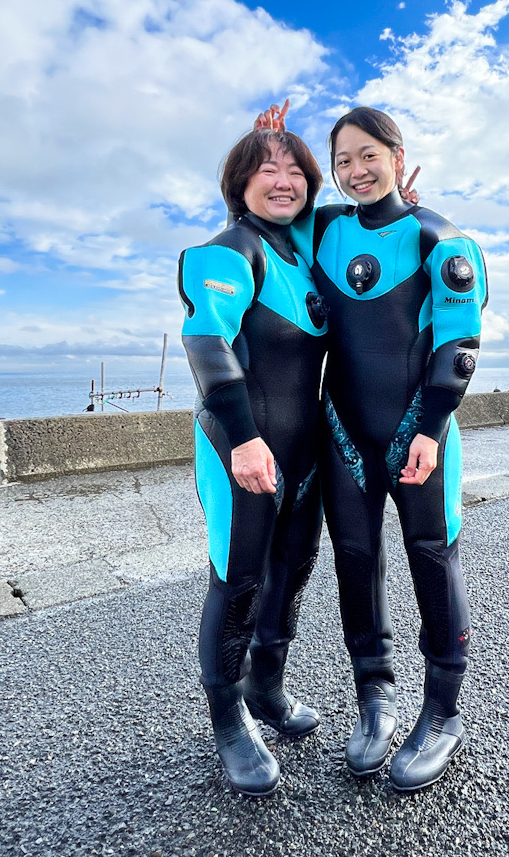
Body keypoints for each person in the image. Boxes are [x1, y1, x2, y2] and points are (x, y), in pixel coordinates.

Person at [290, 105, 488, 791]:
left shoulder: (440, 239)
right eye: (342, 160)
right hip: (343, 433)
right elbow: (264, 205)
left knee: (431, 559)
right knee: (355, 559)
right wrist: (265, 143)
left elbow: (459, 348)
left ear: (397, 157)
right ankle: (374, 698)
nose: (355, 170)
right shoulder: (323, 229)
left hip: (420, 434)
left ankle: (442, 712)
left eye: (368, 154)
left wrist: (431, 430)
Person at [177, 122, 327, 796]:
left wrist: (397, 204)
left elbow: (359, 222)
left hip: (303, 449)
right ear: (238, 184)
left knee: (291, 574)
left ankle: (266, 690)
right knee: (238, 585)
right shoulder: (225, 251)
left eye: (294, 169)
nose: (282, 179)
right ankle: (228, 720)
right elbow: (208, 344)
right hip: (238, 444)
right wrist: (242, 438)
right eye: (265, 168)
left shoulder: (299, 256)